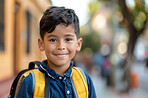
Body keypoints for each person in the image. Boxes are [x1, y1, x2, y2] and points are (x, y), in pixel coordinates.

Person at [16, 6, 96, 98]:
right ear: (41, 44)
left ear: (78, 44)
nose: (61, 46)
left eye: (68, 39)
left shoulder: (84, 80)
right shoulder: (30, 82)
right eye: (53, 40)